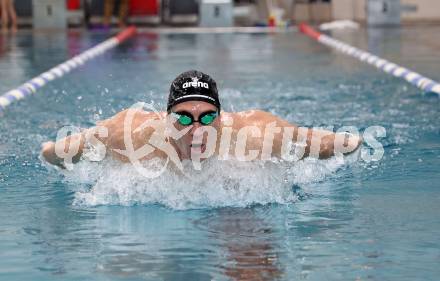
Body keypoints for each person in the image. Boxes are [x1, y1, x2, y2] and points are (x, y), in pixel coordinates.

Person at [41, 70, 362, 170]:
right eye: (183, 118)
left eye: (207, 117)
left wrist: (349, 143)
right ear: (166, 119)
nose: (196, 129)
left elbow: (337, 144)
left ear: (221, 119)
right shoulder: (131, 136)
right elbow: (55, 153)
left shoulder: (255, 137)